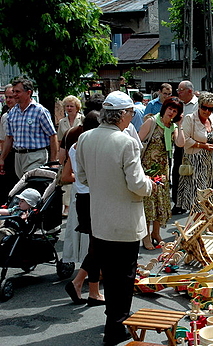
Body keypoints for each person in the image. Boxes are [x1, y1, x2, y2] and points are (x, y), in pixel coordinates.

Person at [76, 91, 153, 345]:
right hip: (124, 220)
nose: (132, 117)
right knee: (125, 275)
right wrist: (151, 184)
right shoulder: (126, 142)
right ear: (121, 114)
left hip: (100, 218)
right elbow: (138, 185)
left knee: (110, 272)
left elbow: (84, 178)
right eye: (131, 113)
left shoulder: (86, 138)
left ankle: (114, 319)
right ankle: (116, 325)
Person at [61, 111, 104, 307]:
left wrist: (79, 179)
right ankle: (80, 283)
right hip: (93, 197)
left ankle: (91, 289)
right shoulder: (93, 146)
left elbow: (65, 175)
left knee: (96, 246)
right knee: (98, 245)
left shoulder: (75, 146)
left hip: (81, 198)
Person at [139, 97, 185, 249]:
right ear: (165, 108)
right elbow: (137, 142)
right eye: (170, 109)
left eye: (175, 110)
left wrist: (180, 125)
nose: (172, 112)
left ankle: (156, 233)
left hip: (163, 169)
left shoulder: (172, 126)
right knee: (147, 203)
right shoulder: (152, 122)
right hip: (147, 169)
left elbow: (180, 143)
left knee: (160, 202)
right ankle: (145, 236)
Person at [0, 78, 59, 178]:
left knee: (31, 187)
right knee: (23, 186)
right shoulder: (12, 113)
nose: (14, 94)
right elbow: (9, 138)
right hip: (18, 156)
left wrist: (53, 161)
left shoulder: (40, 111)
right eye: (13, 91)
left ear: (28, 92)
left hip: (35, 156)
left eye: (17, 92)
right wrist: (2, 158)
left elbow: (52, 135)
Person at [178, 92, 213, 212]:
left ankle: (207, 225)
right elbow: (185, 140)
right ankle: (196, 225)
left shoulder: (212, 119)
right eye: (204, 108)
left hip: (208, 162)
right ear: (199, 105)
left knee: (209, 195)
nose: (207, 111)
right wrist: (203, 146)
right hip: (194, 161)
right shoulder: (190, 119)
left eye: (210, 109)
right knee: (198, 198)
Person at [173, 81, 199, 214]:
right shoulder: (177, 104)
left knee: (192, 173)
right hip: (179, 142)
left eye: (181, 90)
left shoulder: (198, 104)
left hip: (194, 144)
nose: (178, 92)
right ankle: (178, 203)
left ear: (190, 91)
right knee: (178, 171)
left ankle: (193, 202)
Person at [57, 95, 84, 218]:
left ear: (77, 107)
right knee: (67, 180)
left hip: (79, 153)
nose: (69, 108)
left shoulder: (82, 119)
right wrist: (59, 157)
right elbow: (59, 140)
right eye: (67, 106)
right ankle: (67, 206)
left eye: (71, 106)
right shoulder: (62, 122)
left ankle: (71, 205)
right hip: (66, 153)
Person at [0, 85, 18, 202]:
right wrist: (2, 159)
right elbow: (3, 139)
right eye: (6, 97)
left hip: (21, 152)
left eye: (11, 97)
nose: (8, 100)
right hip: (9, 154)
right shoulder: (5, 117)